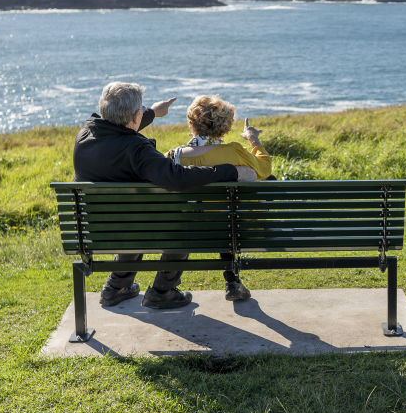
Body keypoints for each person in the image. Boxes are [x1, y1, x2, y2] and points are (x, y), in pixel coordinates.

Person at [73, 82, 252, 310]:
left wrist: (153, 113)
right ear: (135, 115)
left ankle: (116, 288)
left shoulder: (85, 135)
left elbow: (119, 129)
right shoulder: (137, 150)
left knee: (135, 219)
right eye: (141, 110)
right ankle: (162, 291)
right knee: (182, 220)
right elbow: (176, 177)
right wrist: (230, 171)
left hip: (99, 229)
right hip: (141, 226)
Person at [166, 95, 274, 301]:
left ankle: (166, 285)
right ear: (225, 127)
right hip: (236, 225)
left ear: (191, 123)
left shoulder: (175, 155)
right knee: (234, 207)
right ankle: (232, 282)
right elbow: (265, 169)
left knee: (217, 213)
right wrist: (253, 139)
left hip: (194, 226)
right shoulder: (234, 151)